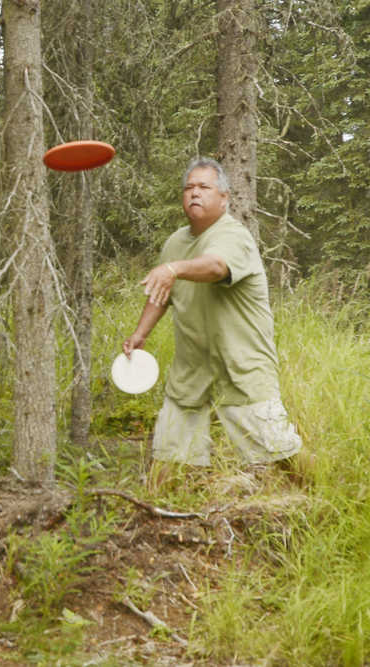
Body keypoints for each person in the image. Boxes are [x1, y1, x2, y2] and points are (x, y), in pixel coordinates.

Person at [123, 157, 302, 474]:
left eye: (204, 187)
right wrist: (141, 334)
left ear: (224, 198)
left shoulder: (233, 236)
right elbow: (160, 295)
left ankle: (310, 507)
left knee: (278, 468)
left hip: (242, 370)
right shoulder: (175, 243)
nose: (194, 193)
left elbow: (217, 267)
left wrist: (173, 269)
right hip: (191, 375)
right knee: (171, 470)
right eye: (189, 187)